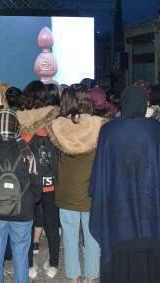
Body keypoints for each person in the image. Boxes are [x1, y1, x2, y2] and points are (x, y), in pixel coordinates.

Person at [90, 85, 160, 283]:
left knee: (120, 237)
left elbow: (101, 172)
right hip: (149, 204)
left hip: (117, 203)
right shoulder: (153, 129)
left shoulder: (109, 130)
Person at [0, 109, 41, 283]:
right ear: (15, 126)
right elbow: (36, 184)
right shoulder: (26, 149)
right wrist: (30, 202)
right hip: (23, 211)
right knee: (21, 256)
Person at [48, 84, 103, 283]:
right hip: (91, 190)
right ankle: (91, 275)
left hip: (66, 191)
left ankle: (73, 276)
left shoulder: (56, 126)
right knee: (92, 236)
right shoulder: (98, 125)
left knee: (70, 237)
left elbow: (54, 163)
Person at [16, 81, 61, 279]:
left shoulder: (19, 118)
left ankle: (28, 266)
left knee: (27, 222)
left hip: (27, 180)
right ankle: (53, 265)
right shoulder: (53, 116)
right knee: (52, 222)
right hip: (50, 178)